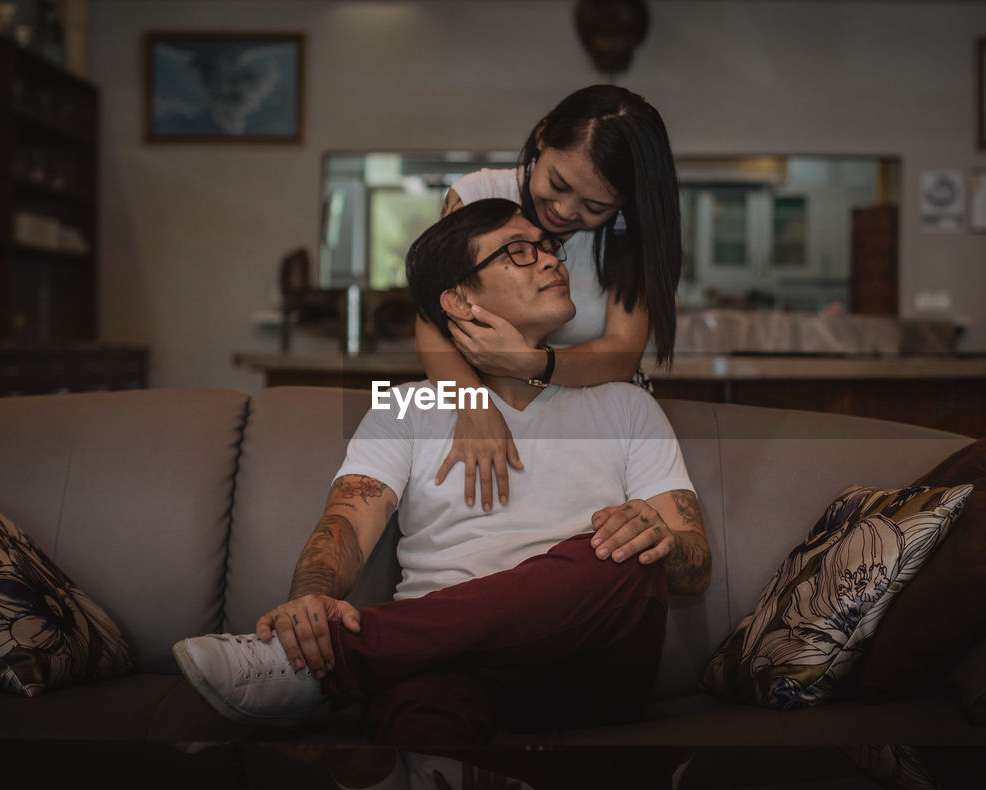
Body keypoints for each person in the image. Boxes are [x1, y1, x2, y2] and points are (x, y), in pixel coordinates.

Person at [173, 199, 709, 788]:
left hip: (584, 668)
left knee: (625, 559)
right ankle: (367, 670)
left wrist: (660, 537)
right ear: (459, 300)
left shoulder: (626, 403)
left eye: (550, 247)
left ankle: (337, 663)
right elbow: (346, 528)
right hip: (441, 668)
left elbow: (693, 568)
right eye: (520, 252)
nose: (552, 261)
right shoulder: (409, 407)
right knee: (418, 719)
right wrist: (310, 600)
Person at [419, 85, 683, 513]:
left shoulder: (627, 233)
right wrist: (474, 405)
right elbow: (433, 323)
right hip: (491, 399)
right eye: (557, 183)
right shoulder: (479, 195)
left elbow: (622, 353)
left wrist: (530, 364)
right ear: (542, 136)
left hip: (593, 408)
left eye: (594, 205)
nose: (563, 210)